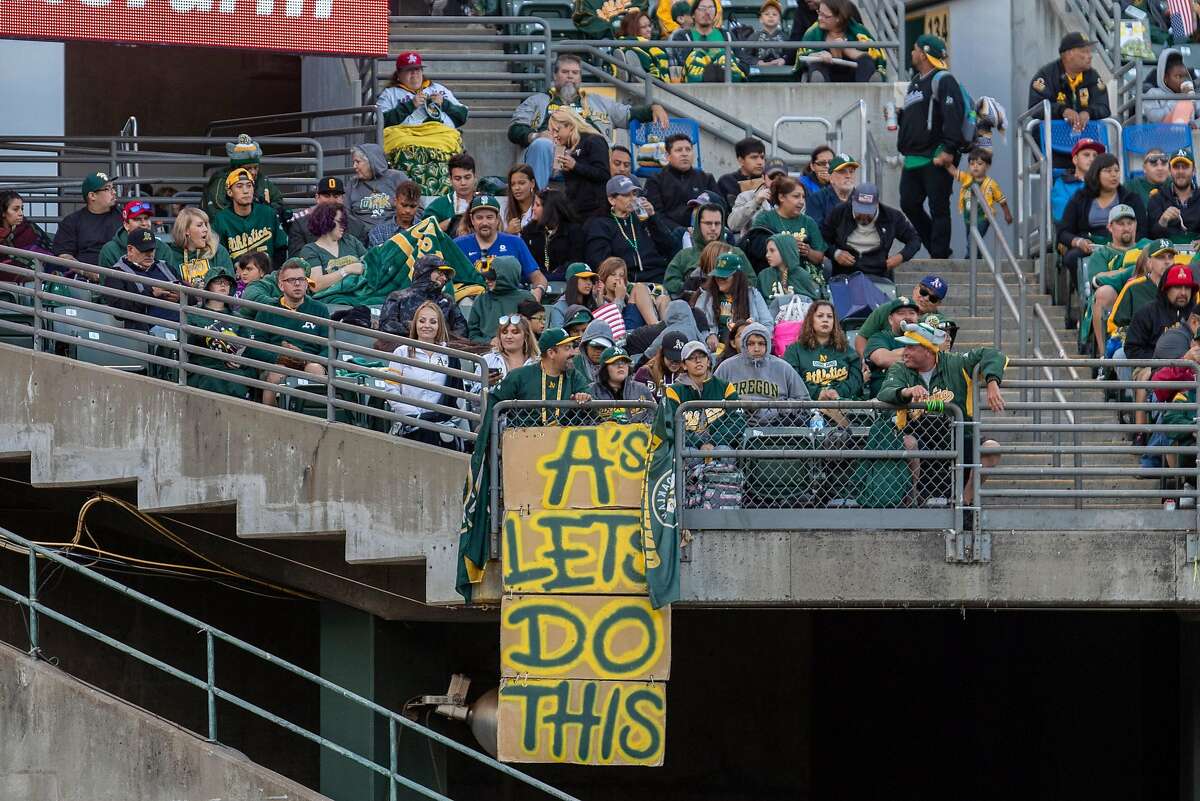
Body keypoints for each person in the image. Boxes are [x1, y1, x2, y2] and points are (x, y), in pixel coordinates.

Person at [877, 321, 1006, 508]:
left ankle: (965, 500)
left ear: (928, 350)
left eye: (911, 347)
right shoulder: (900, 368)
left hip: (958, 434)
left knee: (991, 449)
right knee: (907, 443)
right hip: (918, 434)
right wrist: (907, 391)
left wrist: (992, 381)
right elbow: (886, 391)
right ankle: (912, 500)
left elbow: (994, 354)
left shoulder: (955, 363)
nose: (904, 351)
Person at [508, 54, 668, 189]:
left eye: (575, 73)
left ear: (580, 77)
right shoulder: (537, 101)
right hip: (552, 158)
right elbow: (515, 130)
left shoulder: (597, 101)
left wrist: (653, 108)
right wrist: (536, 136)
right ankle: (536, 204)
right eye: (565, 72)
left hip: (591, 159)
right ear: (555, 76)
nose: (570, 76)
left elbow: (628, 114)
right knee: (542, 144)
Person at [1059, 153, 1149, 325]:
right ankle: (1085, 305)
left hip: (1126, 246)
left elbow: (1142, 230)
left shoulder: (1130, 198)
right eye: (1108, 171)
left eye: (1116, 170)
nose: (1114, 175)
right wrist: (1078, 242)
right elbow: (1063, 231)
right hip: (1090, 246)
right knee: (1071, 257)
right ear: (1096, 173)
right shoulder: (1081, 198)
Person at [897, 35, 964, 260]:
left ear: (924, 54)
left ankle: (940, 256)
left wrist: (949, 149)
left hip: (937, 154)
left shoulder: (944, 79)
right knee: (908, 203)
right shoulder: (915, 81)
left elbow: (953, 115)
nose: (912, 53)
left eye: (914, 49)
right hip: (913, 156)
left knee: (939, 208)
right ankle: (937, 248)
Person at [377, 52, 468, 196]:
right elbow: (380, 120)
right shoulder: (391, 93)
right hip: (406, 137)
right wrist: (409, 106)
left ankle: (445, 195)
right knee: (406, 148)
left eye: (417, 70)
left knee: (449, 148)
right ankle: (409, 194)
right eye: (409, 71)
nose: (414, 75)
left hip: (439, 137)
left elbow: (463, 116)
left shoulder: (437, 89)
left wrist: (445, 104)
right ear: (399, 74)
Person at [383, 300, 466, 450]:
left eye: (433, 322)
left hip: (441, 426)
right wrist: (415, 416)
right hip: (408, 423)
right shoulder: (401, 352)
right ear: (415, 324)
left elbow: (458, 396)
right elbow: (391, 390)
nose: (427, 325)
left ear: (439, 325)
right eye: (422, 321)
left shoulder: (450, 356)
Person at [250, 258, 331, 408]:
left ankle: (315, 418)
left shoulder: (320, 309)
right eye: (291, 280)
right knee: (276, 374)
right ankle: (271, 421)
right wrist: (279, 357)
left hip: (310, 361)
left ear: (307, 283)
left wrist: (307, 359)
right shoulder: (268, 309)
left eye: (301, 279)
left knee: (314, 369)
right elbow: (254, 347)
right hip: (277, 364)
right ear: (281, 285)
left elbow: (329, 347)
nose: (297, 284)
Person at [488, 327, 592, 426]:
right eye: (567, 348)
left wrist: (584, 397)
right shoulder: (520, 376)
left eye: (572, 347)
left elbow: (592, 404)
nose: (573, 353)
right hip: (524, 439)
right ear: (551, 353)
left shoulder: (574, 376)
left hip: (563, 440)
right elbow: (494, 404)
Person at [584, 175, 677, 282]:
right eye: (626, 195)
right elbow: (601, 263)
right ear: (612, 200)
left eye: (634, 194)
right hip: (626, 281)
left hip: (657, 276)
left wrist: (653, 217)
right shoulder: (601, 225)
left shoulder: (643, 218)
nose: (633, 198)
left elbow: (670, 246)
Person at [1081, 205, 1147, 356]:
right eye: (1120, 223)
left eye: (1130, 223)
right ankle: (1105, 357)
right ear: (1110, 227)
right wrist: (1132, 271)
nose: (1126, 228)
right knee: (1104, 292)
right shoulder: (1102, 254)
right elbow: (1097, 280)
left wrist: (1117, 273)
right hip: (1116, 300)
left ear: (1136, 225)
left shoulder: (1146, 246)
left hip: (1144, 295)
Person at [657, 340, 743, 455]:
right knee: (690, 455)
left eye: (702, 356)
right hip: (688, 446)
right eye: (692, 358)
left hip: (720, 444)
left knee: (724, 452)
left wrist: (713, 442)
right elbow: (669, 425)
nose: (698, 361)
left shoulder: (725, 386)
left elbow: (737, 421)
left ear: (708, 361)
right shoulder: (673, 391)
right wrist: (699, 443)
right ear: (684, 365)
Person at [185, 267, 257, 400]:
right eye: (218, 281)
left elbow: (248, 350)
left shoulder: (238, 318)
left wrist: (239, 361)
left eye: (227, 282)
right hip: (203, 368)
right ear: (208, 286)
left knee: (241, 378)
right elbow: (184, 345)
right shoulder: (192, 313)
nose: (223, 285)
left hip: (231, 371)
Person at [455, 195, 548, 298]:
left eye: (489, 217)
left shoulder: (515, 242)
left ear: (497, 219)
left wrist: (538, 291)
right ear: (472, 220)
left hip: (509, 301)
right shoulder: (458, 245)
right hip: (470, 303)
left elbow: (537, 276)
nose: (484, 222)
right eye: (479, 218)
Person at [822, 182, 921, 278]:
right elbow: (822, 238)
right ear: (852, 202)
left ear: (877, 204)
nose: (863, 216)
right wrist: (835, 253)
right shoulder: (839, 212)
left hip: (878, 274)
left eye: (868, 212)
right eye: (859, 211)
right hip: (844, 274)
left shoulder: (892, 217)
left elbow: (914, 239)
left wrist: (900, 257)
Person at [715, 321, 809, 420]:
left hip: (776, 426)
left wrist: (777, 409)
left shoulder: (783, 367)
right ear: (744, 344)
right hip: (735, 425)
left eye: (761, 344)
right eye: (751, 343)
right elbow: (711, 398)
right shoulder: (727, 367)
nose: (756, 348)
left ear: (768, 345)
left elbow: (804, 401)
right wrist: (737, 405)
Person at [1028, 32, 1112, 137]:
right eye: (1084, 52)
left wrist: (1088, 112)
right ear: (1069, 54)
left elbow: (1104, 107)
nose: (1090, 56)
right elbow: (1035, 108)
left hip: (1085, 141)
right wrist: (1062, 111)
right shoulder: (1046, 75)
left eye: (1090, 52)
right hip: (1052, 140)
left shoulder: (1092, 76)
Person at [664, 199, 751, 297]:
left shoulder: (736, 253)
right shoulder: (684, 255)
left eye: (717, 223)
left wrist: (727, 285)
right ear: (698, 225)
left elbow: (751, 281)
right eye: (708, 223)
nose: (713, 228)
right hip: (694, 305)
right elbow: (669, 281)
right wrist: (688, 287)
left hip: (729, 304)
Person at [102, 228, 182, 335]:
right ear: (130, 250)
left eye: (152, 250)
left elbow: (192, 298)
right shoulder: (116, 274)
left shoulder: (165, 267)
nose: (149, 254)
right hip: (148, 333)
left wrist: (180, 297)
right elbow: (120, 311)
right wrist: (151, 294)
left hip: (181, 326)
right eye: (144, 250)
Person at [784, 299, 863, 400]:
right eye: (820, 316)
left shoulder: (847, 350)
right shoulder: (794, 350)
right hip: (807, 407)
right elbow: (791, 380)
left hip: (841, 403)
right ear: (811, 320)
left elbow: (856, 381)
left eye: (830, 316)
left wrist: (837, 392)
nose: (825, 320)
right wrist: (817, 393)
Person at [693, 251, 774, 350]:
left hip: (747, 348)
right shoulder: (706, 297)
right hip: (715, 351)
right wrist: (708, 335)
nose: (719, 279)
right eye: (717, 276)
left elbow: (768, 324)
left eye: (724, 277)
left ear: (737, 277)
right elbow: (696, 323)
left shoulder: (753, 295)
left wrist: (754, 332)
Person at [745, 175, 827, 272]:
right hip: (772, 273)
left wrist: (808, 252)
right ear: (781, 197)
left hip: (802, 275)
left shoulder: (808, 222)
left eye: (803, 197)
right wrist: (786, 245)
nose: (801, 201)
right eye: (796, 196)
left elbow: (820, 257)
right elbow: (756, 250)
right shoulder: (764, 218)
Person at [209, 168, 288, 267]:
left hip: (267, 277)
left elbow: (281, 248)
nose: (245, 191)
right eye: (239, 186)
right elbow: (218, 255)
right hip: (235, 278)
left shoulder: (268, 213)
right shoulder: (221, 219)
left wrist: (272, 274)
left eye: (249, 186)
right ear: (229, 192)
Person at [852, 276, 946, 358]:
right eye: (923, 292)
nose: (926, 298)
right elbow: (861, 337)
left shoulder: (940, 321)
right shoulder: (888, 309)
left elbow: (941, 350)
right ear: (915, 289)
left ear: (939, 304)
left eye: (933, 298)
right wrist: (866, 362)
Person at [643, 133, 720, 232]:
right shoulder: (655, 180)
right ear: (667, 156)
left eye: (688, 149)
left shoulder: (706, 178)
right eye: (679, 150)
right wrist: (682, 231)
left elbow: (719, 209)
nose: (684, 154)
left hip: (705, 232)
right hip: (670, 236)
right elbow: (656, 215)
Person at [51, 171, 122, 278]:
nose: (114, 192)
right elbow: (64, 255)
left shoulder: (124, 216)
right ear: (92, 196)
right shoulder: (72, 221)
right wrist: (86, 272)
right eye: (107, 189)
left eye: (113, 188)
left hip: (122, 276)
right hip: (85, 281)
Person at [379, 254, 467, 339]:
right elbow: (386, 325)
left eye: (446, 276)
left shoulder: (447, 300)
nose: (444, 278)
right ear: (425, 271)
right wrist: (415, 329)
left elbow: (461, 329)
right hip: (404, 348)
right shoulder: (398, 297)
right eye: (440, 273)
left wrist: (439, 336)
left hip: (439, 349)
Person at [796, 0, 886, 83]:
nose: (819, 18)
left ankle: (868, 88)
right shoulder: (812, 32)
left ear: (838, 18)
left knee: (866, 60)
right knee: (817, 64)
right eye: (819, 13)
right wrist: (816, 55)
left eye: (825, 16)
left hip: (854, 74)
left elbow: (877, 55)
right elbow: (802, 57)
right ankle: (820, 87)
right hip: (827, 73)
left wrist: (852, 52)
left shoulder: (859, 31)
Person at [548, 108, 611, 219]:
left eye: (557, 130)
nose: (554, 136)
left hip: (595, 212)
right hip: (575, 211)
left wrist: (575, 166)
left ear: (570, 126)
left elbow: (603, 174)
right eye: (552, 132)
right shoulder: (566, 148)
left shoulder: (594, 140)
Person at [202, 134, 285, 217]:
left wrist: (267, 214)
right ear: (236, 168)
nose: (253, 172)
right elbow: (217, 208)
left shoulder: (262, 179)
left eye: (256, 167)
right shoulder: (221, 180)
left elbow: (277, 201)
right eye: (248, 168)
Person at [294, 204, 366, 294]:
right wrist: (346, 270)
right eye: (340, 221)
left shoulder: (351, 241)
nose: (343, 225)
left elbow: (369, 264)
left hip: (361, 294)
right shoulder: (310, 250)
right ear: (326, 221)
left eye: (344, 222)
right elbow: (315, 285)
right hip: (331, 301)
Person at [288, 179, 370, 257]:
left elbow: (364, 260)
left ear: (342, 198)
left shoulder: (357, 226)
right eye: (326, 196)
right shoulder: (300, 224)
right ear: (317, 198)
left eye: (336, 196)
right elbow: (297, 261)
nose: (331, 200)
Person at [467, 256, 537, 344]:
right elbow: (473, 335)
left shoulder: (526, 298)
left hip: (521, 351)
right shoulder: (481, 300)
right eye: (487, 277)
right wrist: (489, 342)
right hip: (487, 351)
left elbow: (536, 331)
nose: (487, 280)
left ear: (507, 277)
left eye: (492, 278)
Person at [951, 147, 1012, 247]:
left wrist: (1007, 214)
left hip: (983, 217)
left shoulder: (991, 184)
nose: (975, 167)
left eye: (979, 164)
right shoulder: (967, 178)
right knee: (972, 241)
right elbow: (954, 172)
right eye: (972, 164)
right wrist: (946, 163)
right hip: (968, 217)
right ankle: (976, 259)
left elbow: (1002, 201)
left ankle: (969, 258)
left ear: (987, 166)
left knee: (973, 241)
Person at [165, 207, 234, 291]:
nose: (205, 229)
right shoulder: (170, 254)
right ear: (186, 230)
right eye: (199, 225)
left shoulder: (218, 251)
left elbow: (231, 286)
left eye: (206, 225)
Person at [863, 295, 920, 397]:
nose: (907, 317)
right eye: (901, 313)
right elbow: (883, 359)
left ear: (917, 317)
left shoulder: (924, 338)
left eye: (912, 313)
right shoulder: (878, 337)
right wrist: (921, 355)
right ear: (890, 319)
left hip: (919, 397)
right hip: (886, 402)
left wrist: (895, 353)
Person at [522, 188, 584, 279]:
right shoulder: (529, 231)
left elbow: (575, 260)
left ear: (549, 209)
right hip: (536, 280)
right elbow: (526, 261)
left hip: (565, 279)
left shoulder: (573, 231)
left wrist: (556, 274)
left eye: (537, 205)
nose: (533, 208)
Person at [345, 144, 409, 228]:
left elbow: (416, 208)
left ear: (371, 162)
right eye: (354, 162)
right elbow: (345, 213)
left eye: (358, 162)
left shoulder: (397, 178)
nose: (354, 166)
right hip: (362, 236)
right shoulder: (352, 184)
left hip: (394, 233)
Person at [475, 314, 539, 395]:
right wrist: (486, 385)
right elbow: (473, 400)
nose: (508, 336)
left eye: (515, 332)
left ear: (526, 336)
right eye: (504, 332)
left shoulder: (538, 363)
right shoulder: (487, 360)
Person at [760, 232, 826, 311]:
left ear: (785, 251)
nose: (767, 255)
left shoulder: (802, 275)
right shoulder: (763, 276)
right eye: (767, 251)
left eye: (772, 251)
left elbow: (812, 305)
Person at [682, 0, 746, 82]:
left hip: (726, 82)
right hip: (696, 84)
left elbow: (743, 64)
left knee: (724, 56)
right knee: (697, 56)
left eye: (711, 8)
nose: (707, 12)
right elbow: (680, 66)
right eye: (702, 8)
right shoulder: (683, 36)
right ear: (693, 14)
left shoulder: (727, 35)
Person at [98, 200, 172, 270]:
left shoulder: (163, 248)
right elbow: (108, 282)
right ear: (126, 225)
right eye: (137, 219)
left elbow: (172, 280)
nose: (144, 223)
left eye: (146, 218)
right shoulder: (110, 250)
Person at [589, 346, 655, 423]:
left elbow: (653, 417)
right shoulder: (592, 390)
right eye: (615, 363)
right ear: (604, 368)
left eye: (624, 362)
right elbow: (585, 422)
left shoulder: (642, 389)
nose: (621, 366)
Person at [1148, 149, 1200, 244]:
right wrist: (1163, 221)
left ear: (1194, 171)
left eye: (1185, 167)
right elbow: (1150, 238)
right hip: (1167, 256)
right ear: (1169, 171)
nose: (1180, 171)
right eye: (1176, 167)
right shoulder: (1157, 199)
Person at [424, 153, 481, 236]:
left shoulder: (485, 201)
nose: (463, 183)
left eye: (467, 177)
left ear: (475, 177)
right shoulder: (437, 206)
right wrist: (451, 222)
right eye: (457, 179)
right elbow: (423, 235)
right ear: (450, 180)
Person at [729, 158, 789, 235]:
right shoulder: (746, 196)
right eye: (772, 177)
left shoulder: (794, 198)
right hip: (754, 245)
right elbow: (733, 225)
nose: (776, 181)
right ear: (763, 178)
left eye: (781, 177)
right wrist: (755, 202)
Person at [0, 191, 50, 283]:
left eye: (22, 209)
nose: (21, 213)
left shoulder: (29, 228)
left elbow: (47, 251)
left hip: (39, 274)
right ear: (3, 212)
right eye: (15, 209)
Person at [1050, 139, 1105, 224]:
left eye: (1095, 156)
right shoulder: (1062, 183)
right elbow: (1061, 214)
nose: (1092, 159)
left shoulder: (1104, 183)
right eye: (1086, 155)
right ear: (1075, 160)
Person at [612, 11, 671, 82]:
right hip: (648, 84)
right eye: (644, 27)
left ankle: (639, 74)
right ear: (632, 28)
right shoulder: (621, 43)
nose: (649, 30)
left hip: (657, 82)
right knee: (627, 47)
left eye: (649, 26)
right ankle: (631, 73)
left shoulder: (657, 46)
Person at [1144, 49, 1200, 124]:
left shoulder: (1190, 94)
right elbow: (1154, 117)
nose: (1182, 80)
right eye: (1177, 77)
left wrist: (1195, 124)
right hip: (1161, 132)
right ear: (1165, 78)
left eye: (1184, 76)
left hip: (1187, 132)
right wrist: (1177, 102)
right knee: (1184, 104)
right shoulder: (1153, 93)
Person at [806, 153, 858, 225]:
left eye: (851, 172)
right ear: (831, 177)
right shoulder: (817, 199)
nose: (848, 176)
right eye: (842, 172)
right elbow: (815, 232)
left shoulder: (862, 198)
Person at [368, 181, 424, 247]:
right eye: (404, 205)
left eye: (413, 206)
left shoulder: (425, 230)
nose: (408, 210)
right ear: (395, 201)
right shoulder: (378, 232)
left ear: (418, 205)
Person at [717, 137, 766, 209]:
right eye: (754, 157)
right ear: (741, 160)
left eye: (762, 157)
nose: (760, 162)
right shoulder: (727, 182)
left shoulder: (768, 179)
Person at [548, 262, 598, 328]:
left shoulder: (592, 304)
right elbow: (560, 335)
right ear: (572, 281)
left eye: (591, 279)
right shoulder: (558, 308)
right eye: (584, 278)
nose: (589, 283)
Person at [573, 318, 616, 385]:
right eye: (595, 346)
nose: (599, 351)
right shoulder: (573, 365)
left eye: (603, 348)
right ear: (585, 345)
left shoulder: (619, 367)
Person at [503, 165, 538, 235]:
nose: (516, 188)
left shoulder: (542, 208)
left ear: (532, 183)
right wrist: (507, 233)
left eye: (521, 183)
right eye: (513, 184)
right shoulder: (504, 210)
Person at [751, 0, 787, 66]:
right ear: (761, 19)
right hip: (760, 71)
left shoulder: (785, 37)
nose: (771, 16)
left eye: (774, 14)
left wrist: (784, 60)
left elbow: (791, 54)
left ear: (779, 20)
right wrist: (757, 62)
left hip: (780, 71)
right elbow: (745, 55)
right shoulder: (754, 36)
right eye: (767, 14)